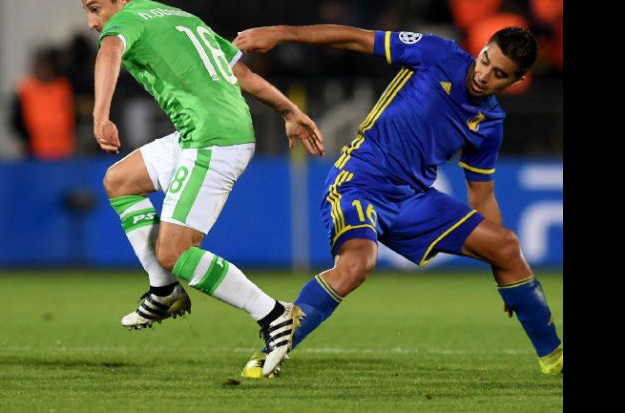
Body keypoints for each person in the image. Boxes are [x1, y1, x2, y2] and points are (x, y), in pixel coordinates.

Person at [233, 24, 562, 377]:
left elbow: (482, 195)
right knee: (357, 264)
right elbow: (354, 38)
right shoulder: (437, 53)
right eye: (485, 60)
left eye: (499, 74)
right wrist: (282, 34)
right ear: (481, 48)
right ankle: (273, 347)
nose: (483, 75)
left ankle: (554, 359)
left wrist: (507, 279)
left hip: (412, 200)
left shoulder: (489, 123)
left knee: (507, 247)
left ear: (516, 82)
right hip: (359, 181)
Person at [77, 0, 325, 375]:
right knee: (119, 180)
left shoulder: (130, 20)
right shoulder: (178, 17)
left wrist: (99, 115)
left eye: (96, 8)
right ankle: (163, 291)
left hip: (213, 139)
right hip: (205, 133)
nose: (92, 23)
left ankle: (273, 315)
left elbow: (109, 51)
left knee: (175, 251)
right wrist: (289, 110)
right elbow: (239, 72)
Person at [11, 47, 76, 159]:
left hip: (63, 152)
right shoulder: (25, 90)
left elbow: (73, 116)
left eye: (46, 66)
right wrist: (27, 139)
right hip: (34, 152)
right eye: (40, 66)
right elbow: (16, 120)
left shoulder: (63, 88)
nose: (43, 70)